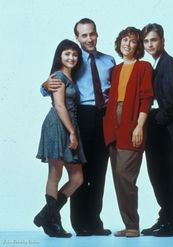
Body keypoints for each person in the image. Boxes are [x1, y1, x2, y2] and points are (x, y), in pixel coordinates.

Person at [41, 18, 115, 236]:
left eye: (92, 34)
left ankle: (94, 222)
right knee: (80, 171)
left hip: (103, 117)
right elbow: (56, 85)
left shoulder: (108, 60)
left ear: (97, 34)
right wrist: (44, 86)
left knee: (99, 172)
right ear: (77, 37)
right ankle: (80, 223)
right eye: (84, 35)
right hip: (80, 116)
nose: (89, 38)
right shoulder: (73, 59)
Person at [141, 23, 173, 237]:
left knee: (167, 177)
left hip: (165, 131)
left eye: (153, 40)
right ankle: (166, 219)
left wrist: (155, 122)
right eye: (146, 41)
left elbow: (171, 101)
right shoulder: (158, 64)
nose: (150, 44)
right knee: (159, 177)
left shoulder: (168, 64)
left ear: (163, 41)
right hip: (161, 129)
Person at [103, 27, 153, 237]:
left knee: (125, 175)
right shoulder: (115, 70)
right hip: (112, 123)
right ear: (119, 42)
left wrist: (139, 126)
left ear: (138, 46)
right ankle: (129, 224)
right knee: (117, 177)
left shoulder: (144, 67)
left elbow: (146, 98)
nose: (128, 44)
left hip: (132, 122)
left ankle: (133, 224)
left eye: (133, 42)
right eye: (125, 40)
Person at [34, 39, 86, 238]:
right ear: (59, 56)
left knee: (77, 178)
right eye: (67, 54)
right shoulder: (57, 76)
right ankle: (53, 223)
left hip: (69, 125)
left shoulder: (69, 76)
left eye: (75, 54)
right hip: (58, 125)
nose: (72, 58)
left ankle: (46, 214)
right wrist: (72, 132)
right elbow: (59, 106)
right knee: (55, 174)